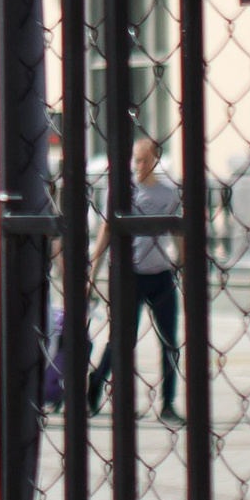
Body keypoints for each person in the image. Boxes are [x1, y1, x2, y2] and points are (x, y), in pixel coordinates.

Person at [88, 134, 181, 423]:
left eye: (144, 160)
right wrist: (93, 271)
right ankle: (96, 386)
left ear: (155, 160)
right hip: (129, 274)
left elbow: (177, 229)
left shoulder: (168, 193)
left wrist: (182, 261)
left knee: (169, 341)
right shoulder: (122, 190)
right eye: (136, 160)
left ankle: (167, 403)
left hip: (160, 274)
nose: (139, 165)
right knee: (121, 339)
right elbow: (106, 229)